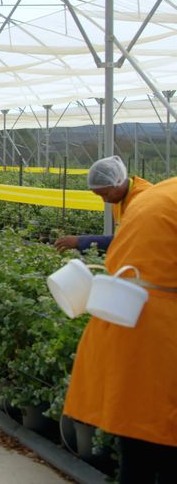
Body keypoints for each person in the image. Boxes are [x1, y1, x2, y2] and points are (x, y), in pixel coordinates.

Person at [62, 177, 176, 482]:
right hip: (159, 341)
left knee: (138, 453)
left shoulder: (160, 193)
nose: (103, 200)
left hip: (126, 323)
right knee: (162, 452)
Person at [54, 156, 152, 252]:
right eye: (100, 195)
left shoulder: (144, 199)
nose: (105, 200)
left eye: (105, 194)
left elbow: (129, 240)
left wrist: (81, 241)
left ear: (118, 181)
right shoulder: (120, 198)